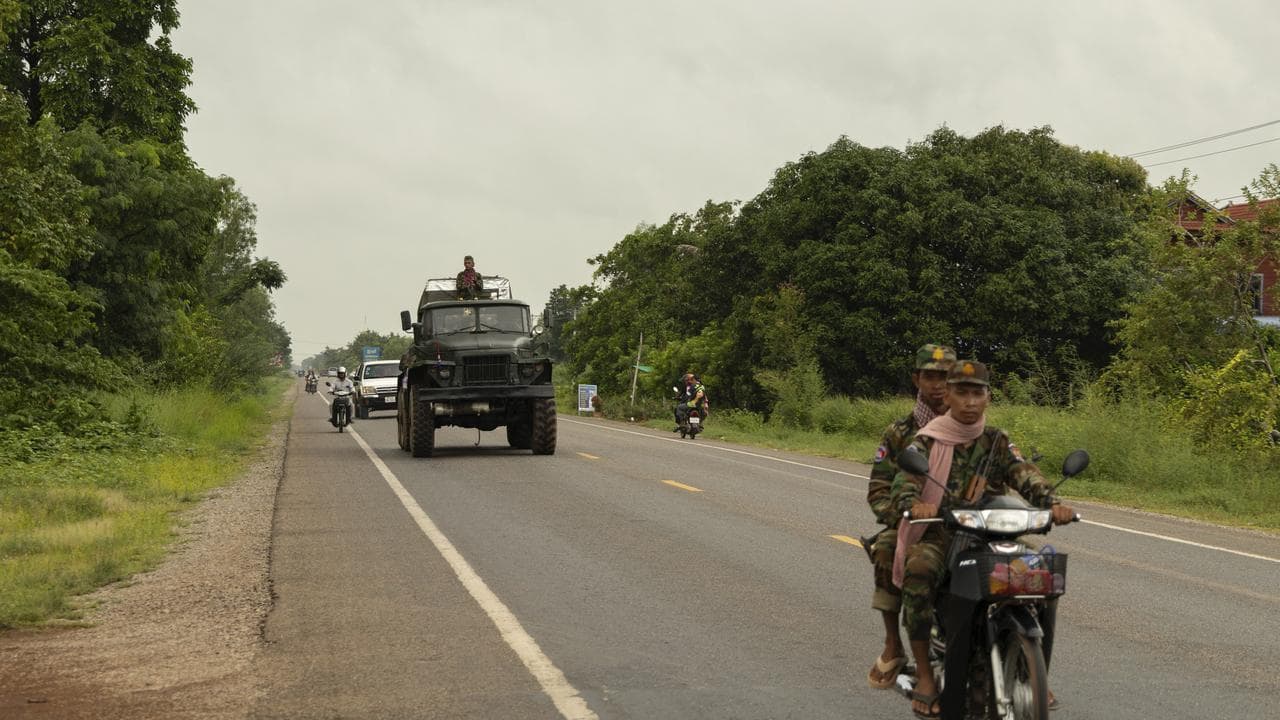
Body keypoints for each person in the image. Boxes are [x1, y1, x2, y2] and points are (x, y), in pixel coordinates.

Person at [889, 360, 1074, 719]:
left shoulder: (997, 441)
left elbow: (1025, 475)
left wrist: (1053, 503)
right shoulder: (928, 439)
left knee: (1042, 574)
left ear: (988, 397)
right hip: (943, 532)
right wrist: (915, 505)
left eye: (978, 393)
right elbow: (904, 486)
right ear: (950, 396)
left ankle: (1032, 669)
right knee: (920, 569)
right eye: (962, 392)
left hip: (992, 533)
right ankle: (926, 675)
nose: (971, 401)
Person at [864, 344, 955, 691]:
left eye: (946, 377)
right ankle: (893, 644)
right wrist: (903, 516)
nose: (938, 385)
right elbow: (879, 488)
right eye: (931, 376)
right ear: (917, 379)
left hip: (965, 525)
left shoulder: (973, 427)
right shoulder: (900, 433)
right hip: (914, 526)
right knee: (887, 548)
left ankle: (1025, 660)